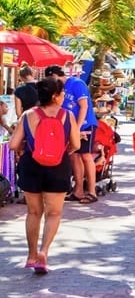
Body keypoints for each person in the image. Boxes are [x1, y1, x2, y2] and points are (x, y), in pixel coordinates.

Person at [9, 77, 80, 274]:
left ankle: (31, 255)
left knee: (33, 212)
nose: (64, 96)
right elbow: (76, 145)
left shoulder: (28, 114)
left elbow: (13, 144)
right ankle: (44, 252)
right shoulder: (68, 116)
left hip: (32, 164)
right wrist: (60, 151)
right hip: (58, 166)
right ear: (55, 96)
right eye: (62, 93)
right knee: (54, 213)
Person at [45, 65, 99, 205]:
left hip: (86, 124)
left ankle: (92, 191)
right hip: (70, 126)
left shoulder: (76, 83)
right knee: (74, 156)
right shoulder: (59, 89)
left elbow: (84, 106)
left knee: (86, 156)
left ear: (56, 76)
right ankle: (78, 190)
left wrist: (78, 127)